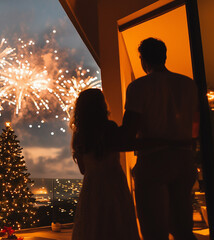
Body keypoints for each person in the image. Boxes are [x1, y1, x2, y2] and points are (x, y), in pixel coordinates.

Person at [122, 37, 199, 240]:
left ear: (143, 60)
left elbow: (128, 134)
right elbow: (196, 127)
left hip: (153, 162)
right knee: (183, 227)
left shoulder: (138, 87)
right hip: (184, 160)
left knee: (154, 230)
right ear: (164, 56)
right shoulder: (189, 85)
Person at [71, 89, 139, 240]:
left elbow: (83, 170)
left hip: (92, 186)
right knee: (117, 225)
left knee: (93, 226)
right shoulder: (109, 128)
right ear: (102, 106)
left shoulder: (79, 135)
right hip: (114, 183)